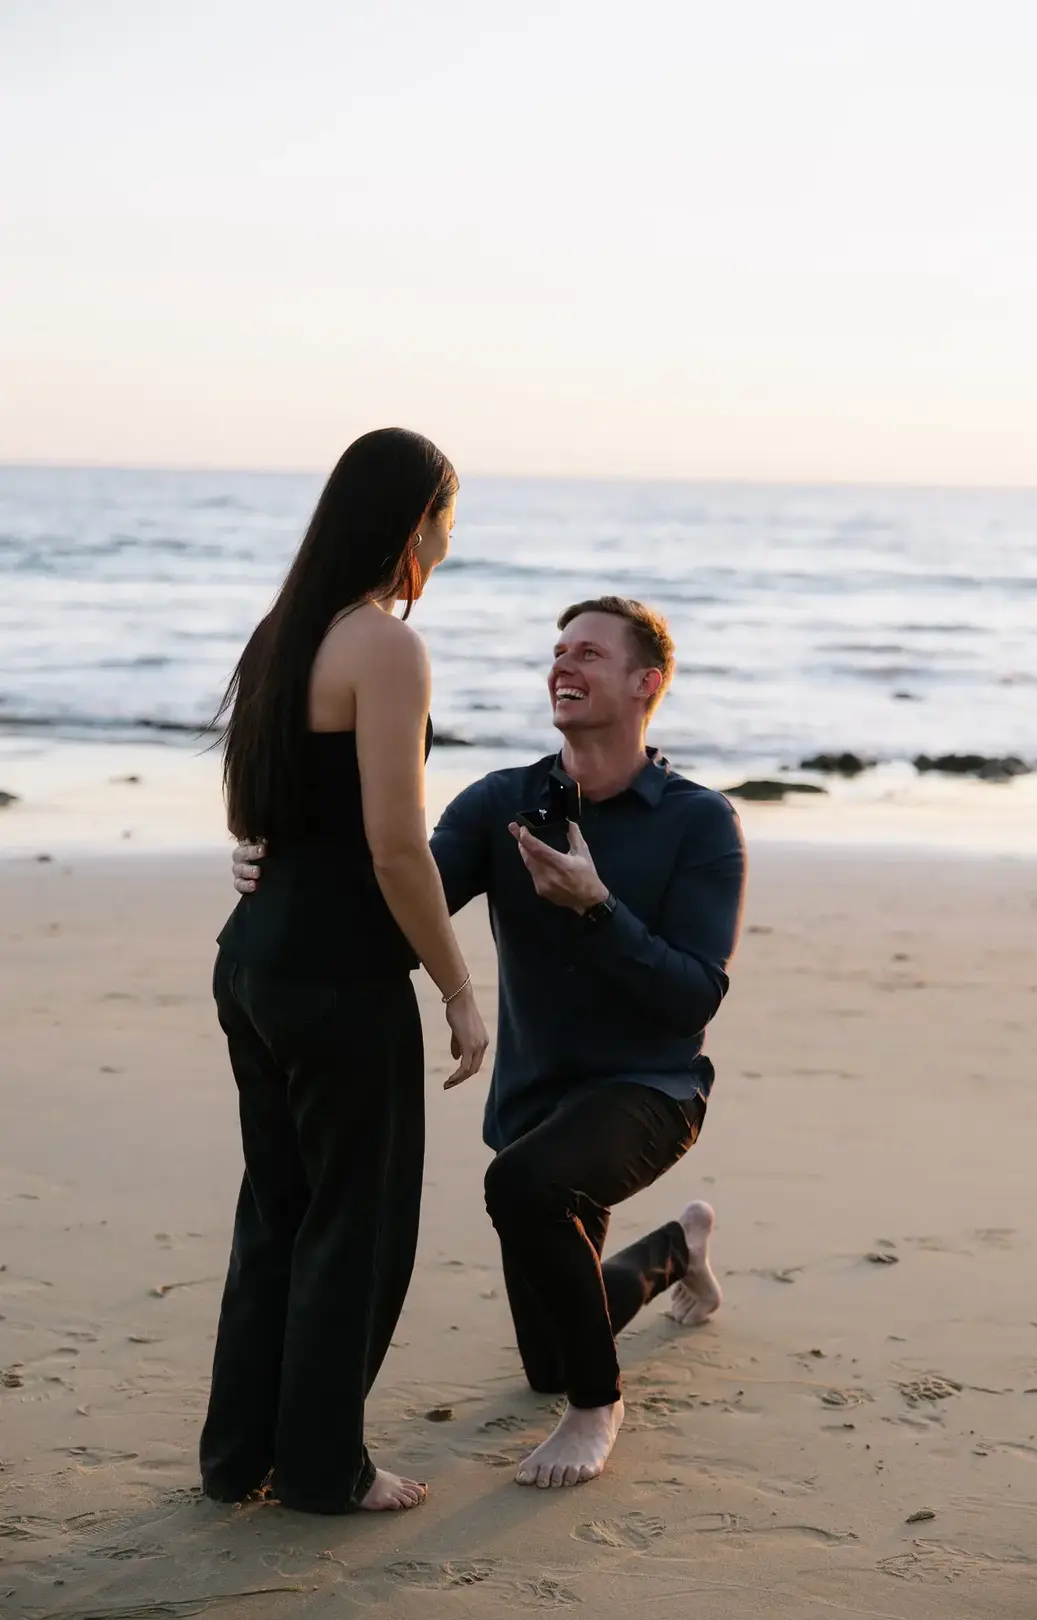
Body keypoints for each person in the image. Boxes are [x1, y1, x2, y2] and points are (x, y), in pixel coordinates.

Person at [232, 595, 746, 1489]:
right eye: (557, 651)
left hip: (650, 1090)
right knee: (547, 1352)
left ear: (644, 683)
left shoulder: (699, 824)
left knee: (524, 1193)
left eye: (589, 653)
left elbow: (693, 996)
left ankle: (600, 1406)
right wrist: (273, 868)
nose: (564, 665)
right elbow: (394, 909)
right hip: (535, 1103)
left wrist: (599, 910)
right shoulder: (503, 803)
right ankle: (678, 1249)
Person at [204, 428, 488, 1517]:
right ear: (414, 523)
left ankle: (239, 1459)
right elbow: (396, 845)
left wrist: (257, 862)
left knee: (276, 1212)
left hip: (254, 966)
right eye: (448, 521)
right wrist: (459, 989)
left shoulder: (285, 631)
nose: (449, 544)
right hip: (337, 983)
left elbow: (254, 813)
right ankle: (323, 1468)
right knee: (354, 1225)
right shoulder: (386, 647)